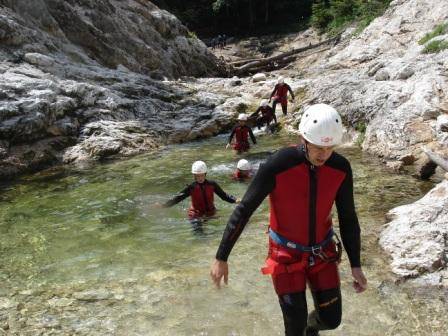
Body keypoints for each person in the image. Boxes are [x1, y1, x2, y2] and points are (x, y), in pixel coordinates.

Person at [210, 104, 367, 335]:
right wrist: (221, 257)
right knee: (294, 328)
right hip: (285, 255)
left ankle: (310, 330)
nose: (324, 154)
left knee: (331, 320)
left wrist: (355, 264)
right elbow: (245, 209)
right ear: (304, 138)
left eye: (329, 147)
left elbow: (348, 217)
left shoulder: (341, 168)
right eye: (318, 147)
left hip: (322, 252)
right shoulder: (278, 164)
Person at [162, 161, 240, 233]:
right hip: (196, 214)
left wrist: (235, 200)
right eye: (197, 176)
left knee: (221, 230)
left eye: (201, 175)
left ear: (205, 174)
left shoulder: (212, 184)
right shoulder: (191, 187)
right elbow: (178, 198)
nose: (199, 178)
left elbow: (224, 196)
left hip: (210, 212)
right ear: (194, 176)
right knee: (199, 234)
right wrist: (164, 206)